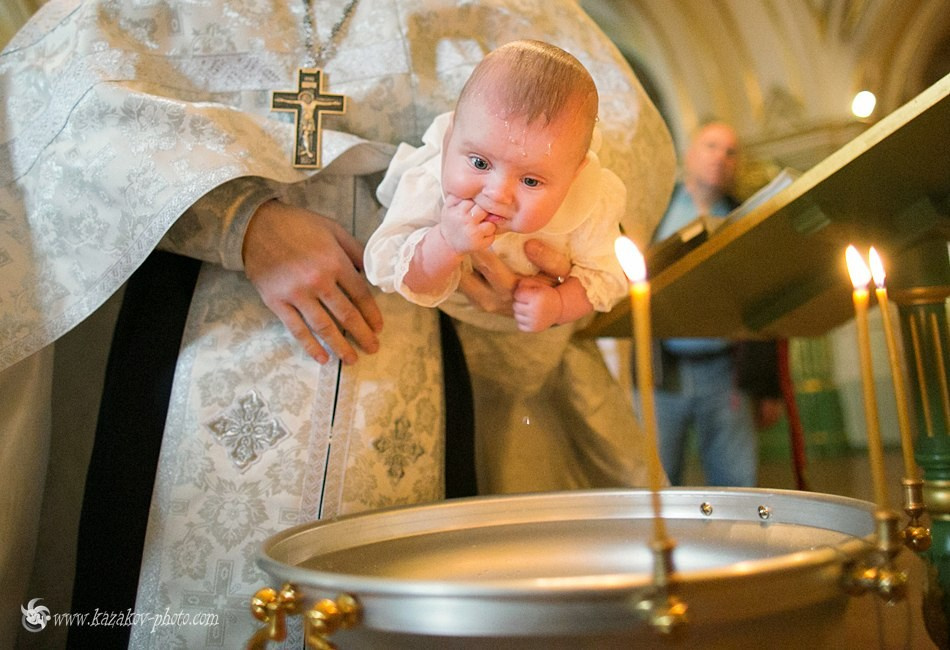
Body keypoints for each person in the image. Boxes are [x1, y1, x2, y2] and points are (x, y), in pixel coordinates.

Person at [0, 1, 675, 648]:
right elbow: (48, 96)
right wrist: (240, 222)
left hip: (411, 355)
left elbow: (615, 139)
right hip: (203, 336)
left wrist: (538, 254)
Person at [364, 40, 645, 493]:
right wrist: (444, 242)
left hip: (532, 353)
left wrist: (558, 302)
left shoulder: (588, 202)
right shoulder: (429, 178)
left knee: (519, 463)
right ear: (451, 138)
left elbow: (610, 275)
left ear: (573, 178)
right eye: (479, 162)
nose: (497, 193)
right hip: (438, 339)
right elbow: (392, 268)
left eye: (531, 180)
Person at [647, 120, 784, 487]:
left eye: (730, 151)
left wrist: (769, 387)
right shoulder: (655, 210)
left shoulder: (745, 216)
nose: (720, 158)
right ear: (690, 154)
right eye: (711, 146)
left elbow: (765, 302)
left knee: (738, 483)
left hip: (727, 373)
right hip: (662, 373)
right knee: (658, 484)